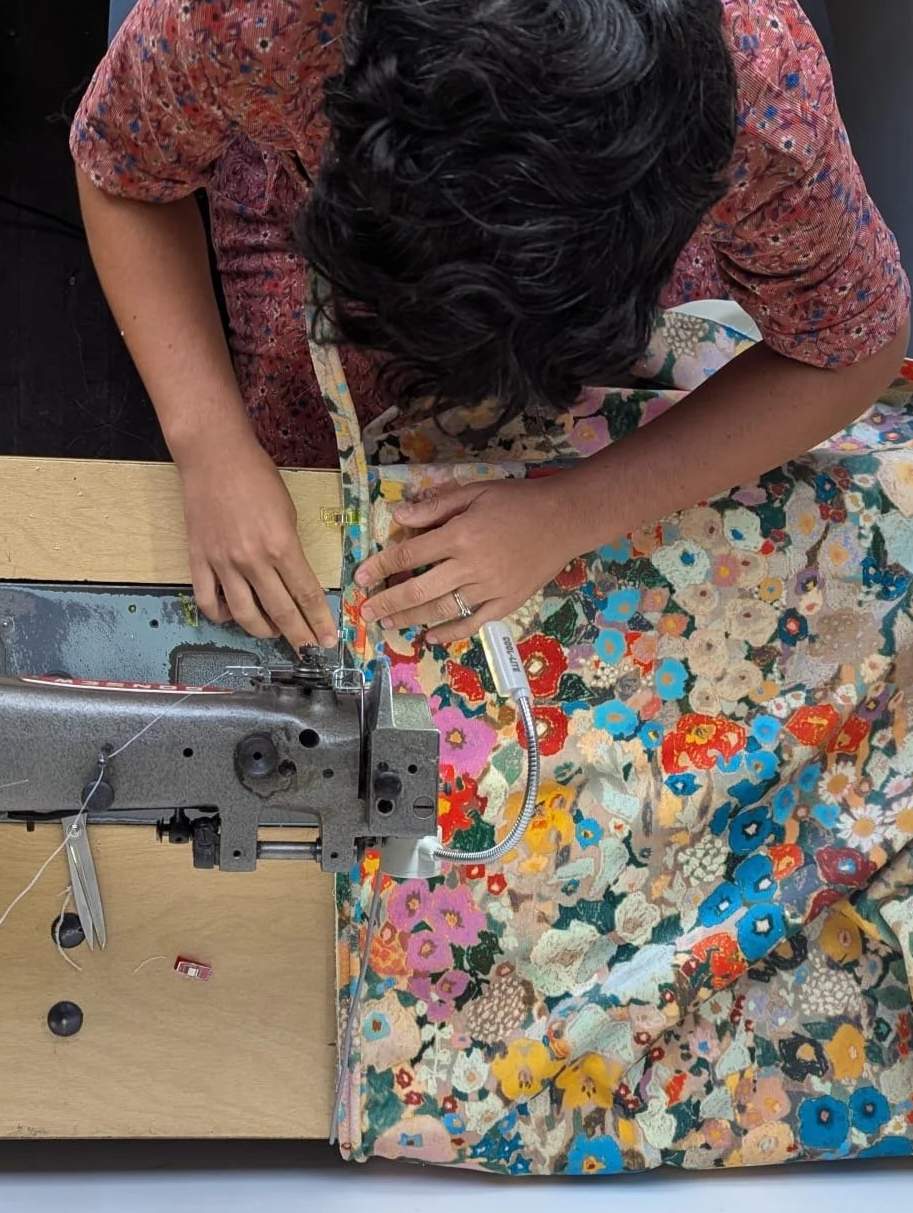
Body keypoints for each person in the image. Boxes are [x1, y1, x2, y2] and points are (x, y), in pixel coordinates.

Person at [71, 0, 910, 653]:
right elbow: (120, 169)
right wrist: (210, 444)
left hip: (594, 277)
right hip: (312, 214)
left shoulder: (762, 98)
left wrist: (568, 514)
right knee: (305, 508)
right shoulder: (256, 19)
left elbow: (853, 352)